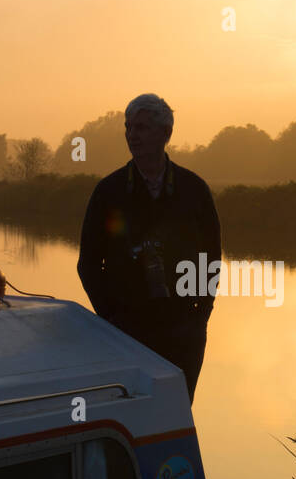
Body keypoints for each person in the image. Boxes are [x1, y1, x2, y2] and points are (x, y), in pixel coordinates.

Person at [77, 94, 221, 404]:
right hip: (125, 333)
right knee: (127, 416)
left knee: (175, 416)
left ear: (166, 133)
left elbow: (211, 260)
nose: (132, 135)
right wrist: (110, 320)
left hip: (183, 333)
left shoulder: (193, 190)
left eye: (141, 127)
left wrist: (200, 318)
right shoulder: (109, 191)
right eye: (128, 127)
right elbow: (88, 264)